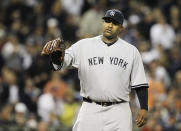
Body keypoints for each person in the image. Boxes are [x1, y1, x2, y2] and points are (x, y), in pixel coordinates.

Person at [41, 9, 149, 131]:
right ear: (102, 23)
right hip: (90, 108)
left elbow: (140, 83)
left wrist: (144, 108)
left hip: (119, 110)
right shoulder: (84, 45)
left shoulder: (131, 51)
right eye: (107, 21)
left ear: (121, 28)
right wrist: (55, 56)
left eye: (114, 23)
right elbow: (59, 64)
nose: (110, 25)